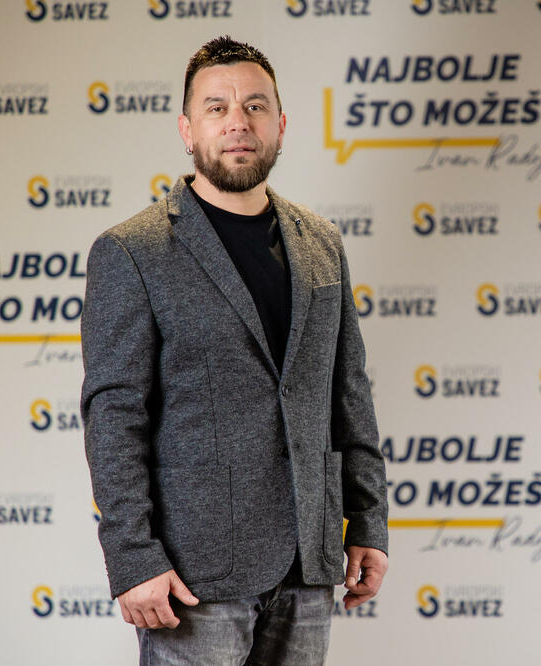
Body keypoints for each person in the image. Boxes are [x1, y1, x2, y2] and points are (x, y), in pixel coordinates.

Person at [80, 35, 388, 664]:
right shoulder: (132, 252)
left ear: (281, 125)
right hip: (193, 575)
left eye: (254, 106)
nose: (237, 122)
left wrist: (368, 522)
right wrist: (134, 557)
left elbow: (347, 395)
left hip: (308, 562)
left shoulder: (322, 243)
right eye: (216, 108)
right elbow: (113, 418)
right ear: (187, 129)